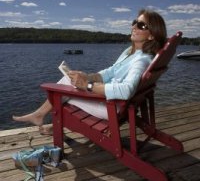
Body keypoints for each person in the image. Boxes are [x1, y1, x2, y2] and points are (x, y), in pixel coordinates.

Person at [12, 9, 167, 134]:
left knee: (62, 91)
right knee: (70, 83)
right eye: (135, 22)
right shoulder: (130, 52)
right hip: (114, 103)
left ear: (152, 35)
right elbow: (111, 72)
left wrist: (88, 86)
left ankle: (43, 117)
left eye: (141, 25)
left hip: (112, 107)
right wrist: (87, 77)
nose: (134, 27)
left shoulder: (141, 60)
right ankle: (45, 119)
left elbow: (126, 90)